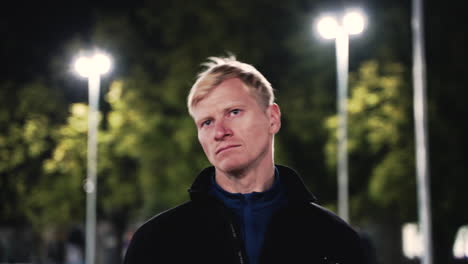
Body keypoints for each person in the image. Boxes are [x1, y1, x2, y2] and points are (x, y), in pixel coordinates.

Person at [123, 56, 368, 264]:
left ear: (272, 118)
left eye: (234, 112)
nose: (220, 132)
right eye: (207, 122)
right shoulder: (157, 240)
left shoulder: (333, 237)